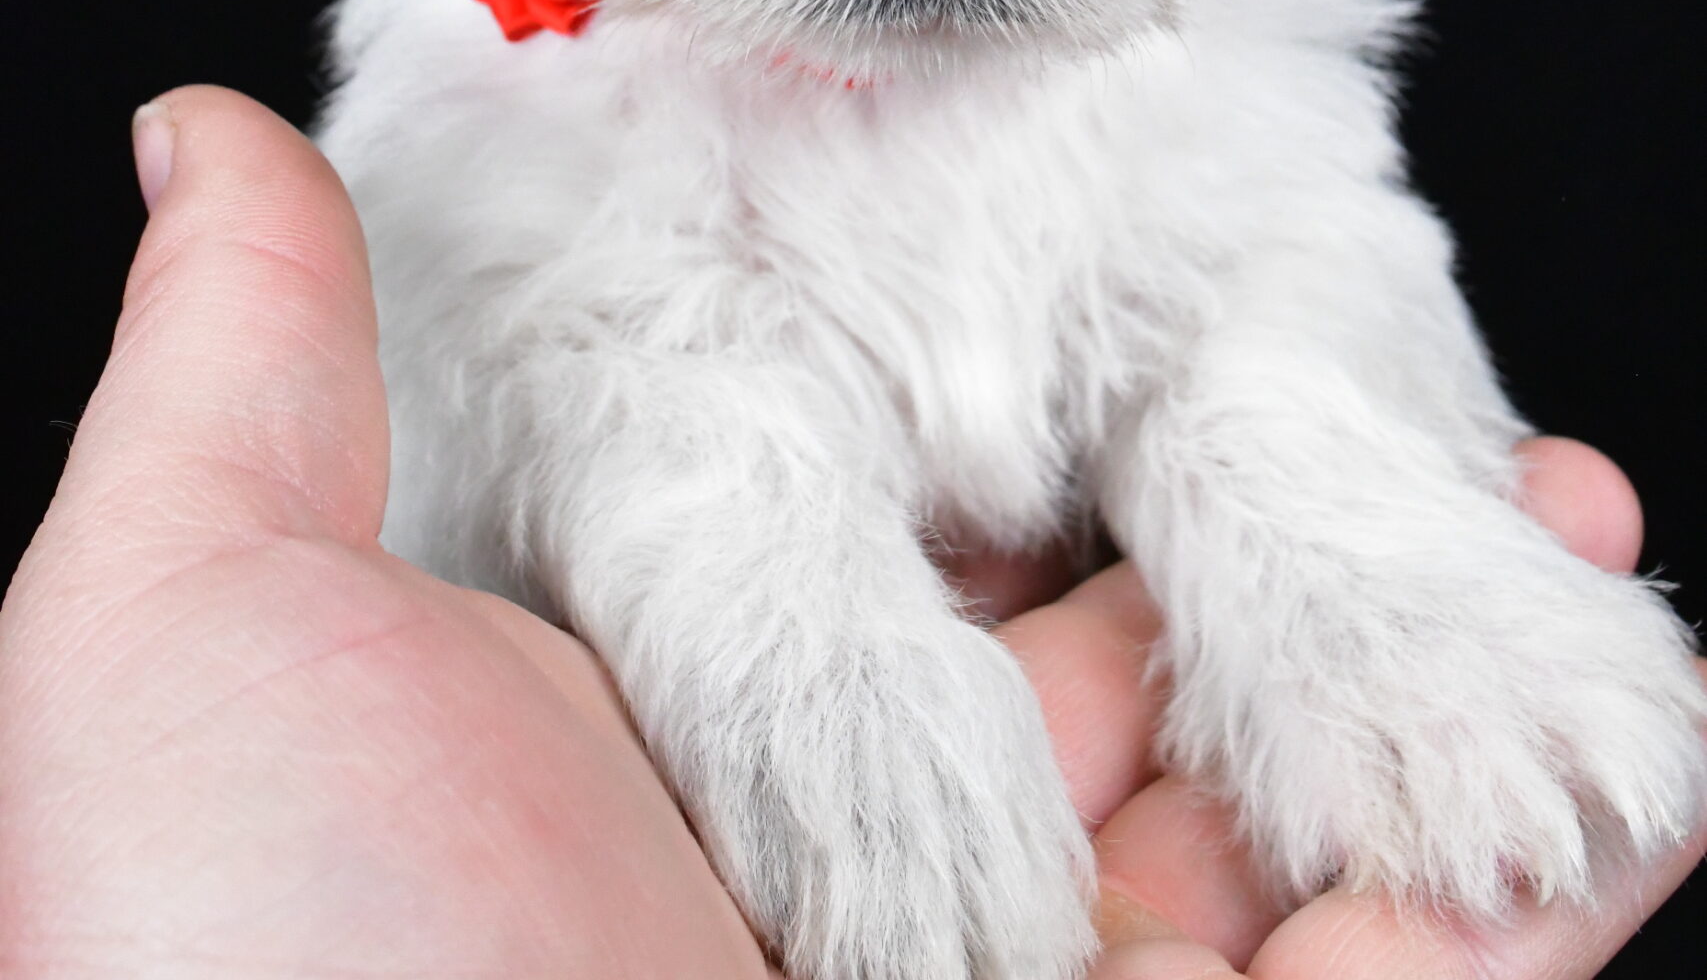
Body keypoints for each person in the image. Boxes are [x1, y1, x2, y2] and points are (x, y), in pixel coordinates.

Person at [1, 88, 1699, 978]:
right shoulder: (487, 59)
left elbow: (1294, 232)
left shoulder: (1239, 56)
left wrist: (1330, 518)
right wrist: (750, 568)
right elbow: (502, 353)